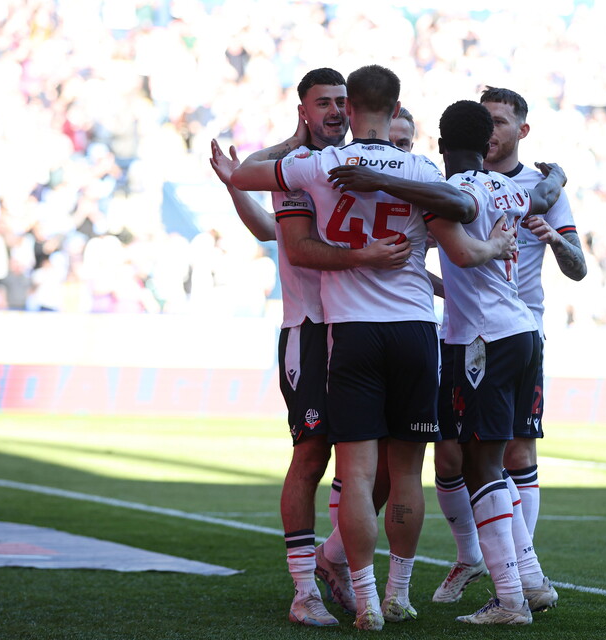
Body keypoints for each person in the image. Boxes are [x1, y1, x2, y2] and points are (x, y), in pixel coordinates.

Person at [232, 64, 516, 631]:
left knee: (356, 474)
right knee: (407, 473)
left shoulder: (319, 164)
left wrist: (299, 142)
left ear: (351, 107)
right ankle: (399, 594)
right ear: (396, 106)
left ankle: (363, 601)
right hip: (415, 327)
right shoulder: (420, 168)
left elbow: (243, 177)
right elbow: (457, 218)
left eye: (340, 103)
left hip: (352, 328)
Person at [210, 67, 408, 628]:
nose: (335, 111)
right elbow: (267, 223)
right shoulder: (298, 167)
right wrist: (285, 148)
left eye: (342, 101)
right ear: (304, 109)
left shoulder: (355, 167)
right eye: (323, 102)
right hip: (312, 330)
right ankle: (305, 591)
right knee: (313, 454)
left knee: (386, 464)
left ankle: (334, 559)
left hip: (369, 330)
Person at [431, 87, 587, 605]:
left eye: (502, 120)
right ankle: (495, 567)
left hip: (498, 334)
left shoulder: (466, 188)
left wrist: (551, 238)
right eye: (487, 121)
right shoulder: (517, 188)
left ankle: (522, 580)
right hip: (478, 331)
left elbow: (578, 267)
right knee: (454, 456)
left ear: (521, 130)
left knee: (499, 455)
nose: (494, 129)